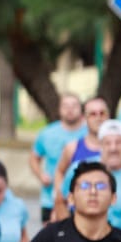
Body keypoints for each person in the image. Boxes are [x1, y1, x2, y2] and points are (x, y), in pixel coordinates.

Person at [30, 94, 86, 223]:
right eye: (66, 106)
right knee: (50, 239)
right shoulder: (47, 133)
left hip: (81, 198)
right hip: (50, 198)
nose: (70, 110)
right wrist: (41, 175)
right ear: (59, 109)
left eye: (74, 106)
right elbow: (33, 158)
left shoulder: (89, 133)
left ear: (81, 109)